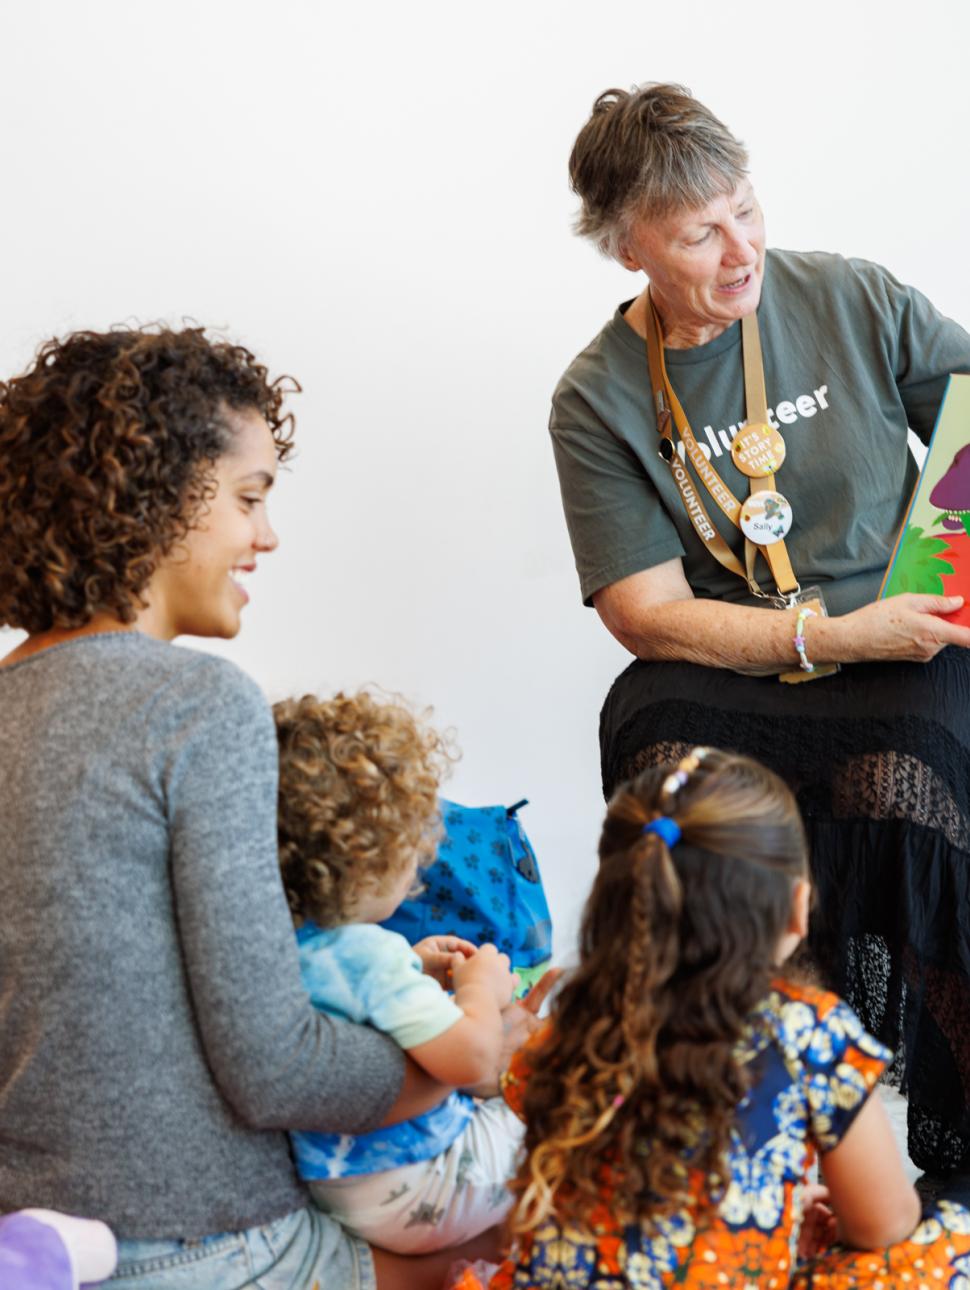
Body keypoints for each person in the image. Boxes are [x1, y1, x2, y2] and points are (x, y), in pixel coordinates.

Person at [0, 325, 545, 1290]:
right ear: (152, 496)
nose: (267, 535)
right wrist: (474, 1050)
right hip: (208, 1243)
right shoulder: (198, 706)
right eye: (248, 499)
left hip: (41, 1237)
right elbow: (277, 1068)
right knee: (542, 1235)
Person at [551, 81, 970, 1186]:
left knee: (908, 777)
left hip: (904, 631)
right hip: (731, 652)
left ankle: (949, 1133)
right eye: (699, 233)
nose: (741, 251)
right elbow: (644, 612)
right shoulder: (594, 397)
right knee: (665, 762)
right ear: (627, 247)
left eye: (745, 208)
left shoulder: (852, 295)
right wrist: (831, 638)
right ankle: (724, 1110)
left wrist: (945, 572)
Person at [457, 748, 970, 1289]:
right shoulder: (809, 1033)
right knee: (946, 1248)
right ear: (798, 907)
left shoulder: (576, 1021)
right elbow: (884, 1225)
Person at [272, 691, 526, 1254]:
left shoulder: (285, 944)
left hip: (339, 1186)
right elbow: (473, 1058)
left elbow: (353, 996)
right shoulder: (372, 958)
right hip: (420, 1187)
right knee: (571, 1108)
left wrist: (413, 962)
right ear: (376, 861)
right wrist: (481, 989)